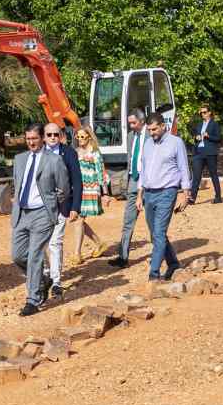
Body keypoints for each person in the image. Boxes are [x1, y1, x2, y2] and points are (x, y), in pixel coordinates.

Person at [10, 123, 69, 316]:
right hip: (22, 213)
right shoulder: (19, 159)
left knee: (35, 255)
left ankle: (33, 300)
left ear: (42, 138)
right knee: (18, 255)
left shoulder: (54, 160)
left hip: (43, 213)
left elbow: (63, 189)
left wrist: (52, 206)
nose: (31, 142)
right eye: (28, 139)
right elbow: (18, 185)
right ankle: (43, 280)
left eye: (34, 138)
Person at [137, 111, 190, 281]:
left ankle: (153, 274)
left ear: (163, 126)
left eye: (154, 129)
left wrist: (186, 193)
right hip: (149, 194)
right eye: (149, 130)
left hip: (167, 192)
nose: (151, 133)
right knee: (155, 233)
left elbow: (183, 167)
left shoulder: (176, 143)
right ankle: (173, 263)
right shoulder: (147, 144)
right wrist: (140, 194)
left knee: (159, 232)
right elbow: (143, 170)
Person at [43, 122, 81, 299]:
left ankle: (56, 281)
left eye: (55, 135)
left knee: (55, 243)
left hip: (62, 206)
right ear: (44, 136)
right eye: (49, 135)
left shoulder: (69, 153)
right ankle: (45, 272)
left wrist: (75, 207)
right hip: (40, 208)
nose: (52, 138)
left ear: (61, 136)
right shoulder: (37, 154)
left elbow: (76, 181)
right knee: (41, 244)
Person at [109, 110, 146, 269]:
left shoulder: (152, 136)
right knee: (128, 221)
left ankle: (165, 257)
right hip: (133, 181)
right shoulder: (131, 137)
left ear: (142, 121)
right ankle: (123, 257)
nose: (131, 126)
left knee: (154, 224)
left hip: (151, 184)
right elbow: (131, 159)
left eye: (133, 123)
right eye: (129, 123)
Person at [72, 125, 109, 261]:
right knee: (78, 220)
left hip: (91, 188)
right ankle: (99, 243)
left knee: (79, 220)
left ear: (89, 137)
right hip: (78, 189)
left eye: (83, 136)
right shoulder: (75, 152)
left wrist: (105, 193)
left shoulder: (95, 153)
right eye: (78, 136)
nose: (80, 139)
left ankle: (77, 254)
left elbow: (101, 173)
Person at [190, 105, 223, 204]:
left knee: (213, 175)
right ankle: (192, 199)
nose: (202, 114)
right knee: (196, 176)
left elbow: (218, 138)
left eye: (204, 112)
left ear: (209, 113)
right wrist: (196, 138)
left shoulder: (215, 124)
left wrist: (209, 136)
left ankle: (218, 197)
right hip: (199, 152)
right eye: (201, 113)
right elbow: (195, 137)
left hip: (210, 153)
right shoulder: (199, 125)